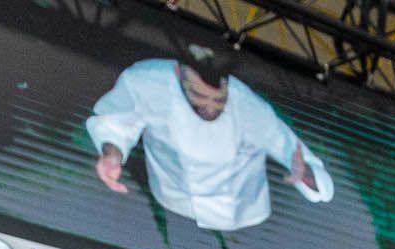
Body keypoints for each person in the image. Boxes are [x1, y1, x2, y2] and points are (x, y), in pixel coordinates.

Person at [85, 43, 333, 232]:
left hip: (238, 215)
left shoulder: (246, 105)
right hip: (170, 199)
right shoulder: (147, 80)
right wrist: (112, 153)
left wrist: (308, 175)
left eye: (218, 100)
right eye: (199, 97)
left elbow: (283, 143)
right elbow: (117, 121)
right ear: (178, 73)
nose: (210, 109)